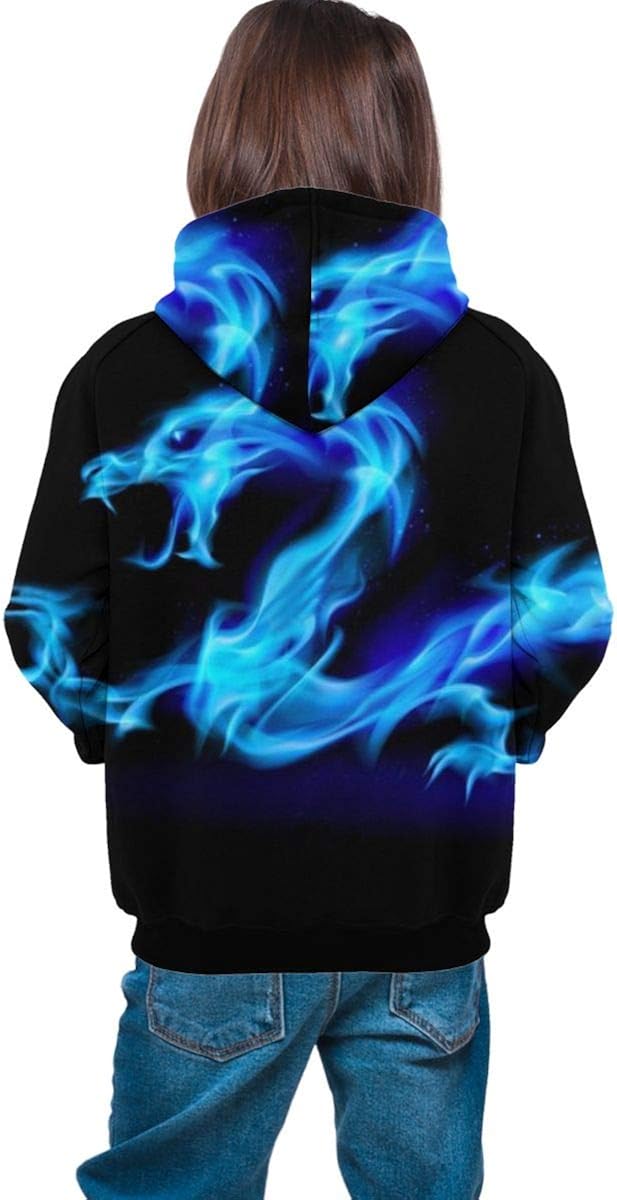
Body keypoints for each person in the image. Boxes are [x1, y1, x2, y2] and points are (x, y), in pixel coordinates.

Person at [4, 1, 612, 1198]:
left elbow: (49, 621)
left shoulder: (125, 374)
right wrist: (474, 725)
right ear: (407, 138)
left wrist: (149, 733)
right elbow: (566, 619)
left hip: (207, 909)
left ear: (222, 132)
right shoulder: (498, 374)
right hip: (422, 918)